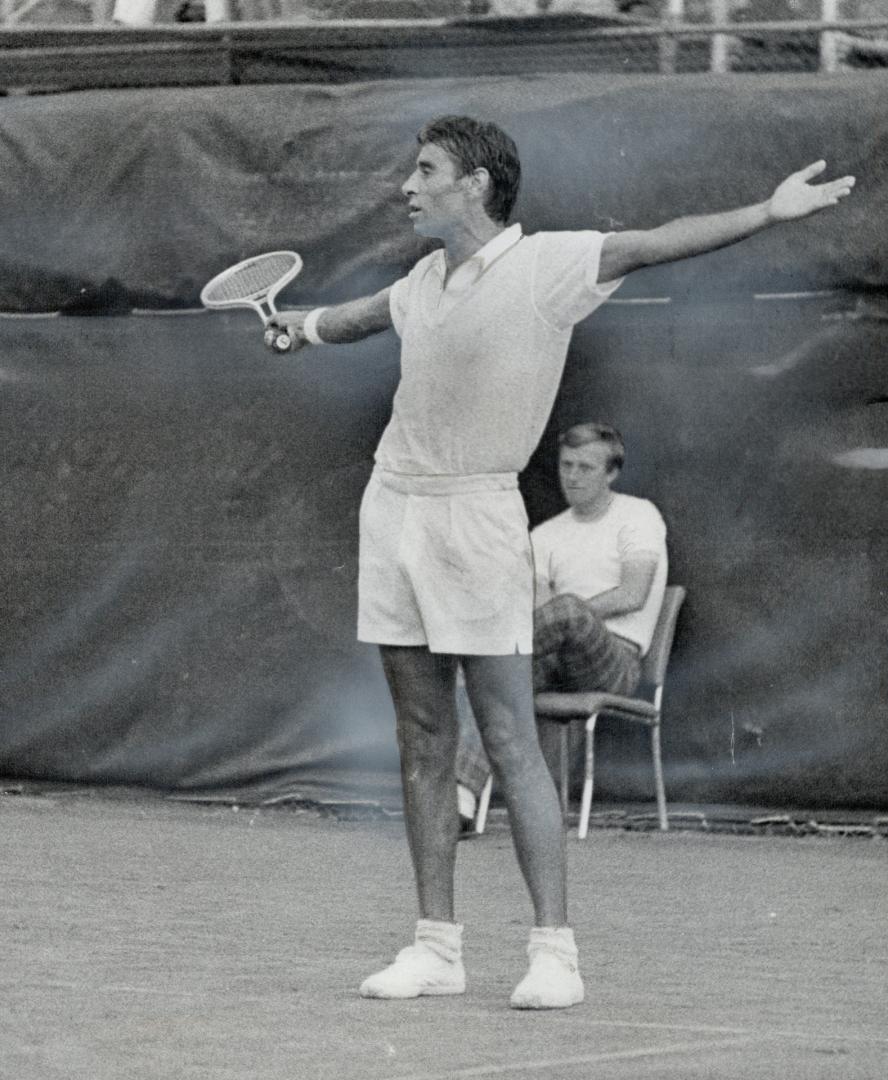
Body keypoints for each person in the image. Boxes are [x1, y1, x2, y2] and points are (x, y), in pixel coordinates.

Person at [269, 115, 854, 1009]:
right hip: (394, 510)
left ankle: (555, 953)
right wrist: (301, 328)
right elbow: (359, 316)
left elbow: (656, 243)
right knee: (423, 735)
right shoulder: (425, 278)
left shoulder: (550, 266)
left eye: (425, 172)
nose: (408, 186)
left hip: (478, 515)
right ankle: (437, 947)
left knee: (507, 734)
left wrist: (769, 213)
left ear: (476, 184)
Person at [455, 421, 667, 822]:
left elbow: (632, 593)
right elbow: (537, 613)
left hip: (615, 661)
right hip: (553, 656)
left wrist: (571, 612)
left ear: (612, 473)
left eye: (585, 468)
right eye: (566, 465)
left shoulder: (638, 516)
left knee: (565, 611)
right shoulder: (546, 534)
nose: (572, 476)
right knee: (494, 676)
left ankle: (471, 659)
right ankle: (461, 798)